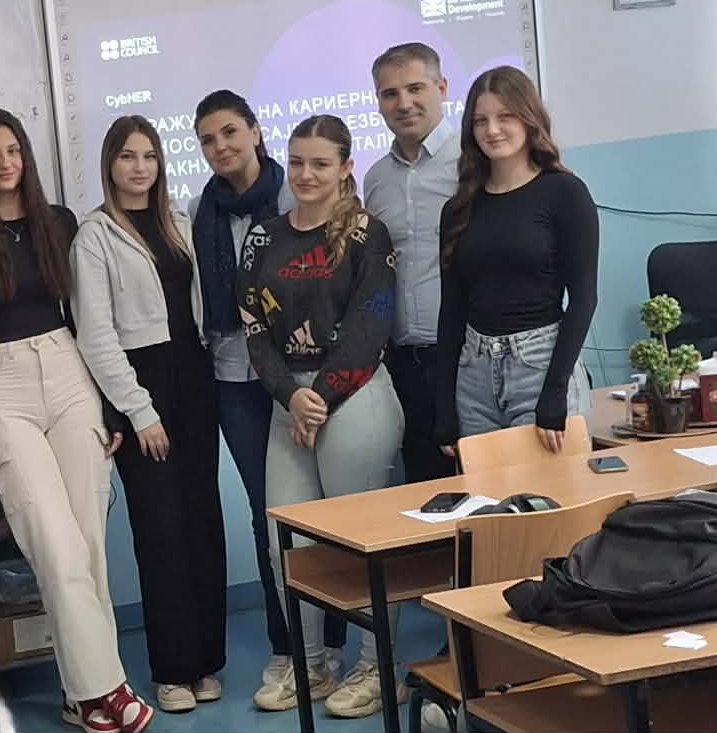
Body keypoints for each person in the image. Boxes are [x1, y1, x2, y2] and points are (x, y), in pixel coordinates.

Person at [0, 110, 150, 733]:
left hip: (68, 371)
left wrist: (109, 404)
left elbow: (86, 316)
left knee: (88, 544)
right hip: (0, 385)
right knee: (55, 548)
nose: (5, 163)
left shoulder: (58, 221)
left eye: (13, 150)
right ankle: (105, 690)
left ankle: (80, 696)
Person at [242, 115, 405, 722]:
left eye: (320, 163)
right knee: (288, 541)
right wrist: (292, 396)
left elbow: (371, 322)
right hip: (290, 403)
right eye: (298, 162)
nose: (306, 174)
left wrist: (322, 397)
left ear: (345, 168)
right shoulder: (263, 238)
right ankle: (311, 664)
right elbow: (254, 328)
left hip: (356, 398)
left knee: (365, 542)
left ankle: (377, 667)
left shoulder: (368, 233)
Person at [188, 91, 344, 708]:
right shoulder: (199, 210)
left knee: (327, 509)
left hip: (304, 378)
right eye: (207, 139)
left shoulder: (293, 196)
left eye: (230, 131)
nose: (220, 146)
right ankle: (291, 647)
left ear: (255, 132)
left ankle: (335, 641)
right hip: (236, 378)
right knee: (268, 513)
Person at [72, 116, 224, 718]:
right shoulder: (95, 235)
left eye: (150, 156)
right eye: (127, 156)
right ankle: (173, 669)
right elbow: (96, 336)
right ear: (109, 164)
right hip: (143, 385)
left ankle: (207, 661)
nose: (140, 167)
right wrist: (140, 411)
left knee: (202, 520)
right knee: (161, 531)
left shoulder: (178, 221)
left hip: (195, 377)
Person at [436, 66, 598, 453]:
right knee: (486, 493)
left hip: (541, 365)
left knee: (553, 490)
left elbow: (584, 299)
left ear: (529, 119)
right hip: (474, 375)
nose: (492, 130)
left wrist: (555, 392)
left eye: (505, 116)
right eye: (480, 121)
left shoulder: (565, 193)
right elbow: (452, 311)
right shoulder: (458, 209)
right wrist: (444, 409)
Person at [362, 44, 462, 485]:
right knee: (425, 492)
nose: (404, 103)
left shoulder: (473, 162)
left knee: (485, 488)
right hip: (404, 362)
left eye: (416, 88)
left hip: (467, 357)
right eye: (390, 93)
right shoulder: (375, 179)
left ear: (442, 88)